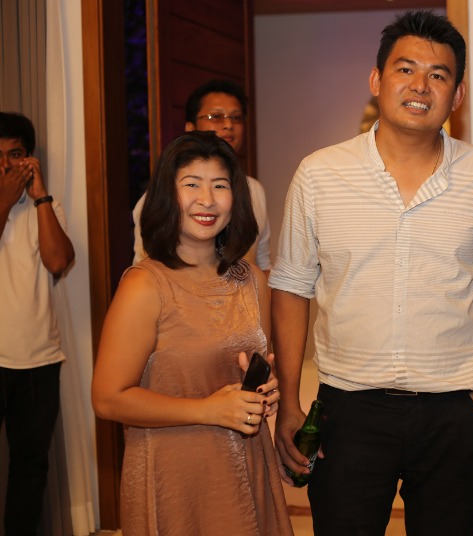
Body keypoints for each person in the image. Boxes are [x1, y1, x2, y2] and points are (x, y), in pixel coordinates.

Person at [270, 10, 473, 535]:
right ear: (376, 80)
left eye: (438, 75)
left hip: (458, 411)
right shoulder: (320, 174)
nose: (420, 86)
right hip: (347, 410)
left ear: (457, 95)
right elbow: (292, 287)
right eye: (405, 69)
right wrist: (289, 402)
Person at [92, 131, 292, 535]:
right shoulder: (145, 285)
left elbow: (250, 369)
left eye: (220, 185)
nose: (207, 199)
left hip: (247, 464)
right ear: (167, 195)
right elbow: (108, 399)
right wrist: (207, 410)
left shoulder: (253, 280)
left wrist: (266, 390)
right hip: (175, 473)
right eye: (192, 184)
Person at [0, 112, 75, 535]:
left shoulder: (46, 207)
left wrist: (40, 196)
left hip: (39, 360)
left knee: (30, 468)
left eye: (15, 155)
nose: (6, 165)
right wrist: (4, 200)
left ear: (30, 159)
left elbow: (59, 261)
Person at [133, 79, 272, 278]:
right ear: (190, 127)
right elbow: (148, 263)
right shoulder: (162, 195)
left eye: (236, 118)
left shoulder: (254, 189)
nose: (228, 125)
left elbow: (262, 261)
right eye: (215, 116)